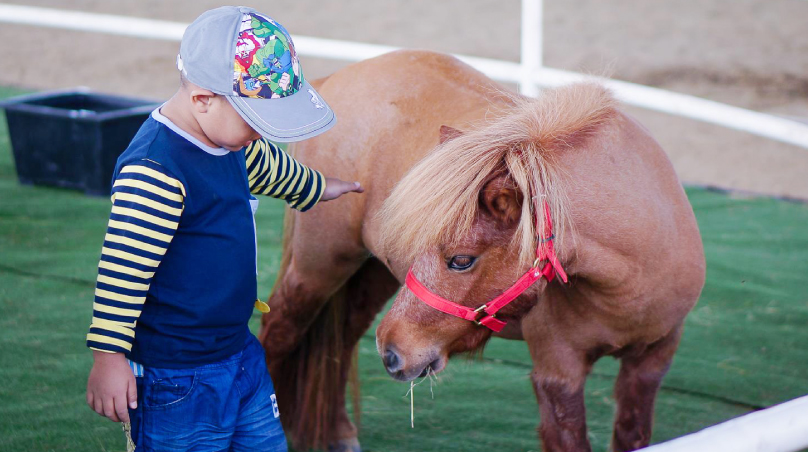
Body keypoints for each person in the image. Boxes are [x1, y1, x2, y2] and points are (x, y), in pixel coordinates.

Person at [84, 6, 362, 451]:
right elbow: (122, 270)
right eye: (255, 121)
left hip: (238, 352)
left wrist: (319, 187)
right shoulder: (155, 170)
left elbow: (265, 166)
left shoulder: (227, 139)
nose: (260, 134)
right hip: (175, 376)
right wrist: (108, 357)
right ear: (202, 99)